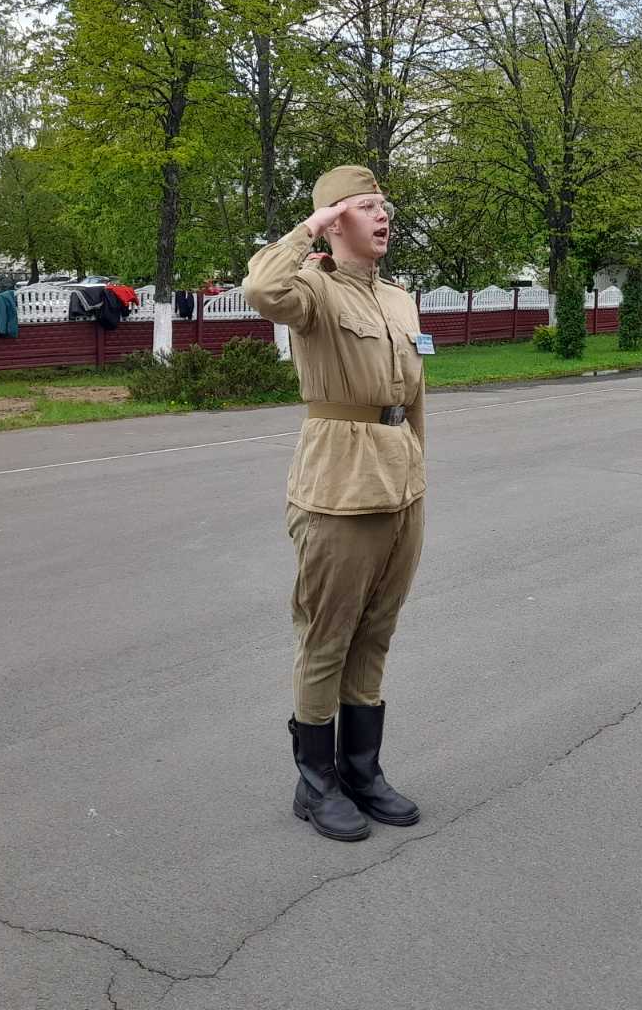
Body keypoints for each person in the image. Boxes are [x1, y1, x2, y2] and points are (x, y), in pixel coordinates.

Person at [243, 165, 428, 843]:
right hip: (338, 489)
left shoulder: (401, 299)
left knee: (377, 631)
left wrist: (419, 475)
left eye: (385, 206)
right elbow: (262, 287)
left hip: (400, 482)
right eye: (365, 206)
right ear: (333, 220)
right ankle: (314, 783)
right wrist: (308, 228)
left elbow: (413, 399)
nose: (383, 216)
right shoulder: (313, 291)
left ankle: (361, 771)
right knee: (327, 637)